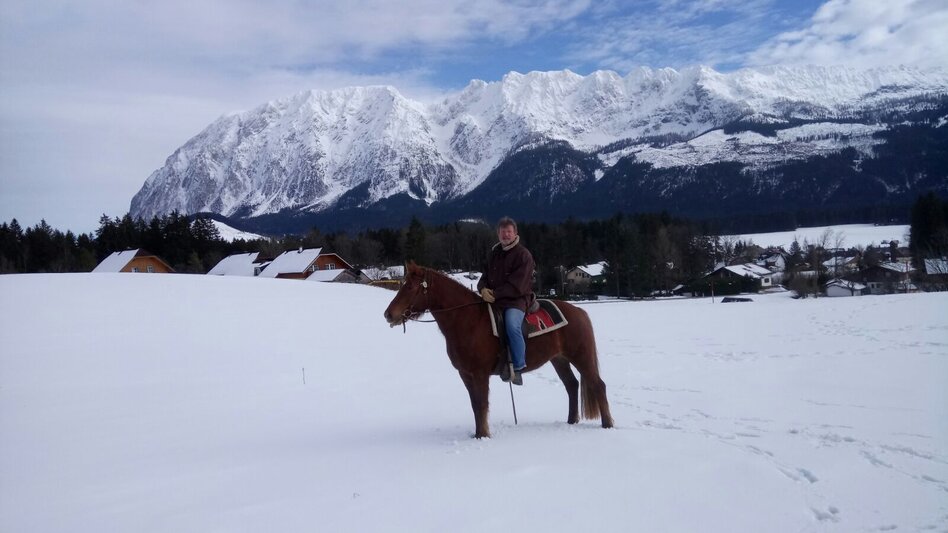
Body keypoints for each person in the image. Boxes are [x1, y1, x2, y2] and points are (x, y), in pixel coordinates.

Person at [477, 217, 535, 380]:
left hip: (516, 300)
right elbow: (485, 276)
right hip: (494, 300)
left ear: (515, 233)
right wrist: (482, 289)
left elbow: (518, 285)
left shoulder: (523, 255)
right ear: (498, 234)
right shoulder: (495, 253)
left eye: (509, 232)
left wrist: (495, 294)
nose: (506, 235)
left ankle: (518, 366)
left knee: (511, 326)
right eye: (503, 232)